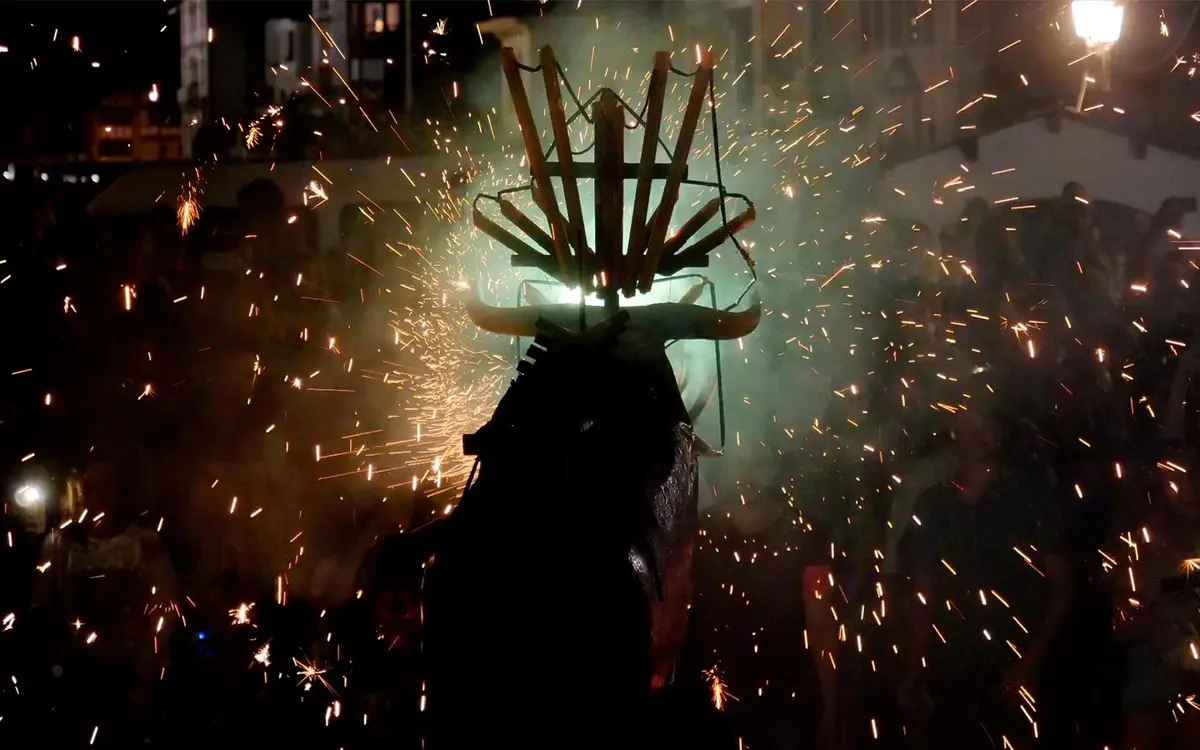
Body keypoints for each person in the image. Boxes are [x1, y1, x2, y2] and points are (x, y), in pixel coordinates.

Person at [898, 405, 1073, 750]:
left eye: (988, 422)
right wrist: (914, 668)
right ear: (954, 429)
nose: (980, 432)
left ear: (1002, 431)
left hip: (1015, 662)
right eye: (970, 422)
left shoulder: (1030, 497)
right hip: (950, 668)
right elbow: (924, 592)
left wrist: (1030, 663)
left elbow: (1064, 586)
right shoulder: (933, 504)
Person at [1111, 450, 1200, 750]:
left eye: (1192, 478)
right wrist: (1157, 618)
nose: (1187, 490)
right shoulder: (1141, 544)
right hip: (1150, 682)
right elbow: (1118, 625)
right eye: (1175, 480)